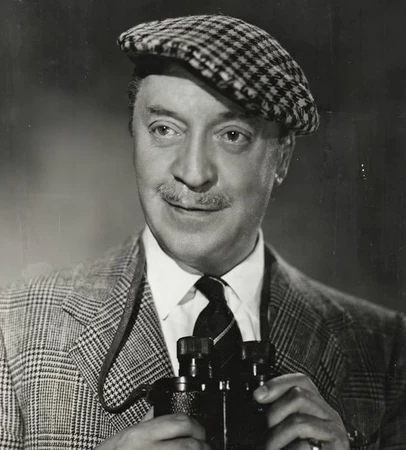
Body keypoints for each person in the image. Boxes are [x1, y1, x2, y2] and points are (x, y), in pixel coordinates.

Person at [0, 14, 405, 450]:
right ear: (133, 133)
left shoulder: (388, 349)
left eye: (232, 135)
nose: (193, 173)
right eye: (164, 129)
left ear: (283, 156)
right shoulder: (12, 331)